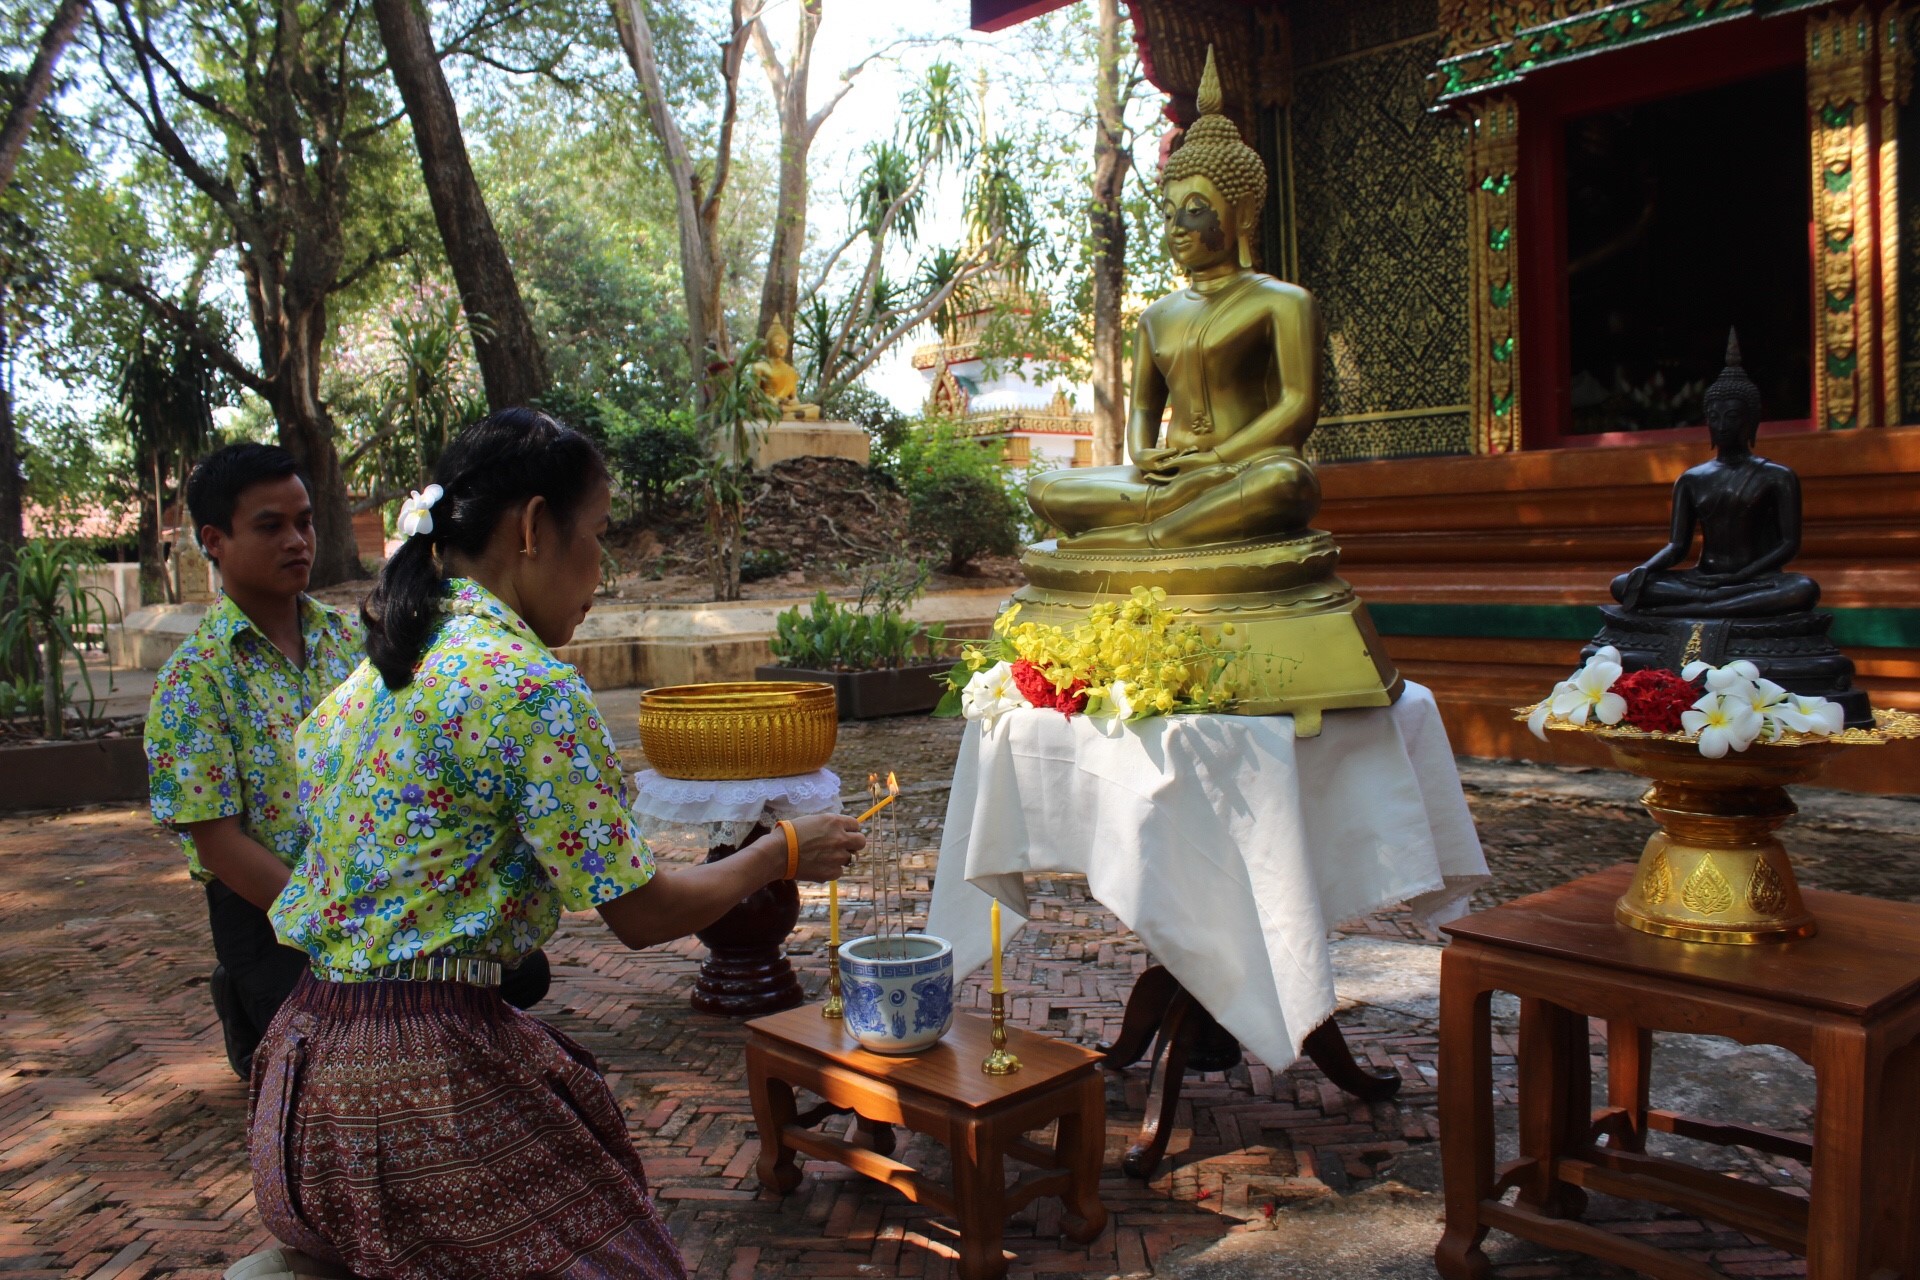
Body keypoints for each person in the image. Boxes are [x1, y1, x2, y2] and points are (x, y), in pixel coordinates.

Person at [242, 409, 862, 1279]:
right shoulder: (527, 688)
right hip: (421, 1097)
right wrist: (779, 852)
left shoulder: (364, 682)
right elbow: (642, 918)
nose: (603, 574)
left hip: (302, 1089)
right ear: (534, 527)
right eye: (601, 536)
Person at [143, 444, 364, 1081]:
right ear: (214, 540)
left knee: (512, 977)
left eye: (305, 521)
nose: (298, 541)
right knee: (333, 1052)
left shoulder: (354, 645)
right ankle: (245, 992)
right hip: (260, 899)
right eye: (271, 526)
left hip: (368, 881)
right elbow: (218, 845)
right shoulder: (193, 681)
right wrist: (330, 926)